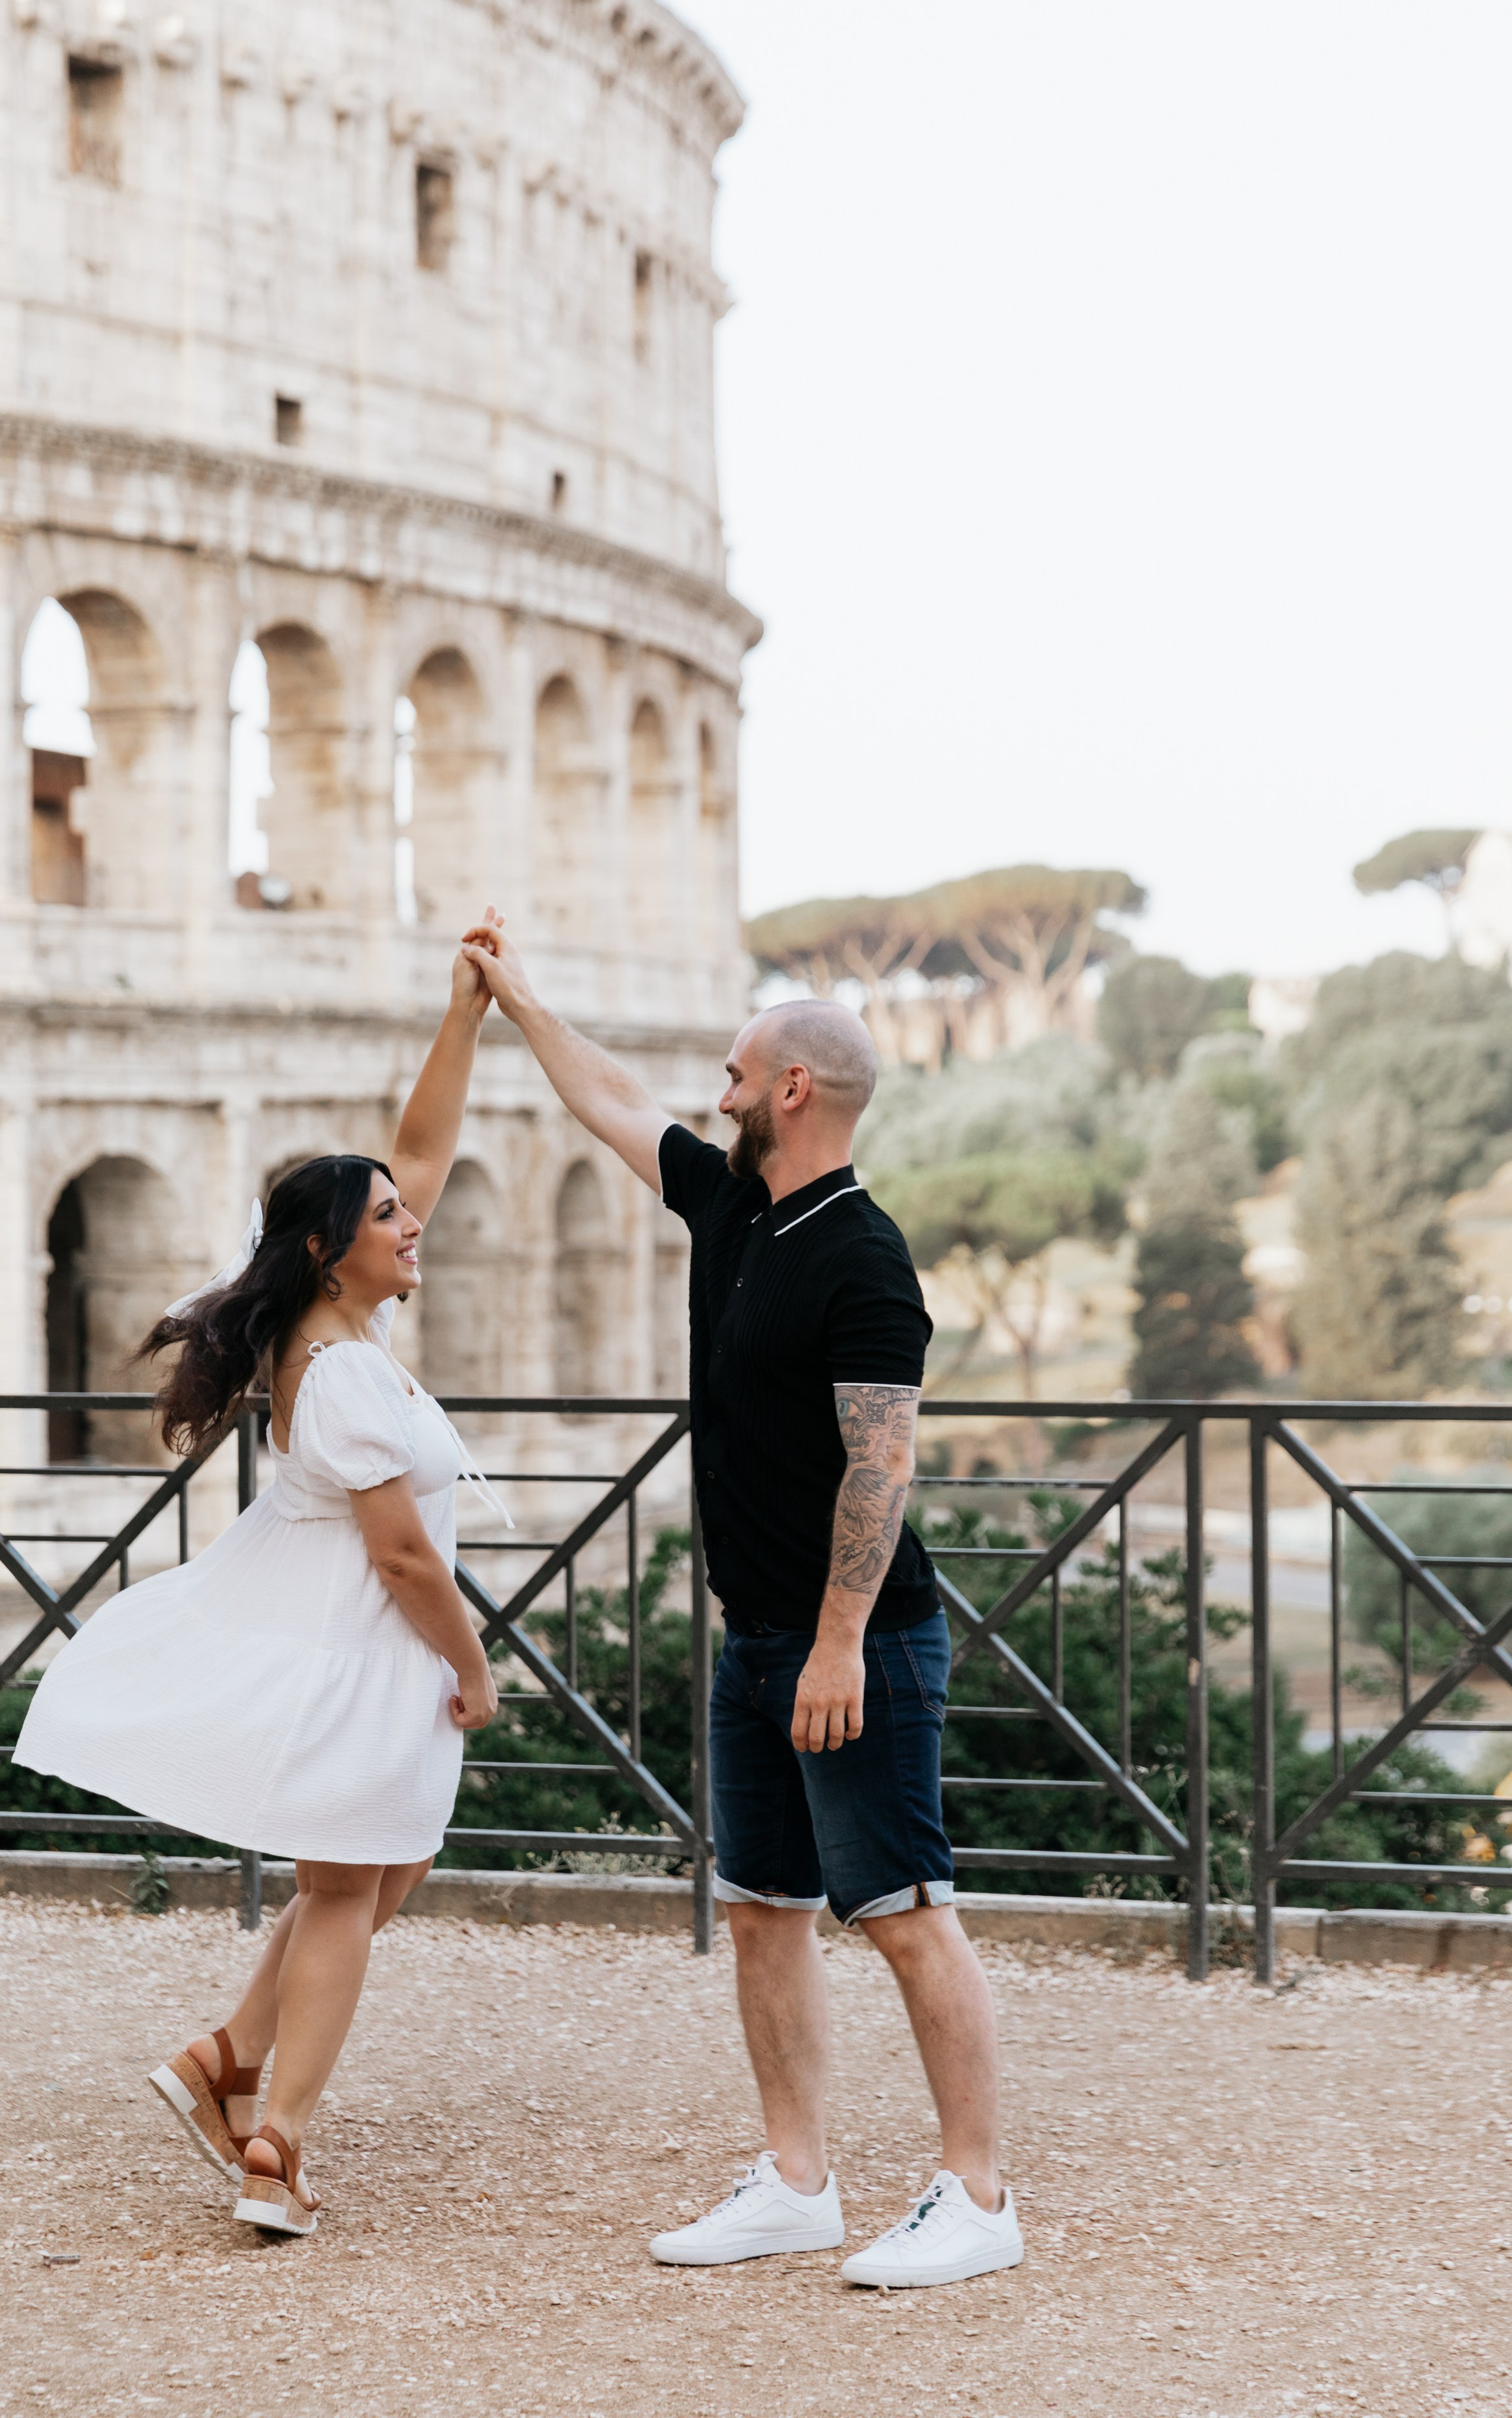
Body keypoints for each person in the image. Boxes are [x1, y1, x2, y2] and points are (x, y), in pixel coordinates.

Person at [459, 915, 1021, 2291]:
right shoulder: (731, 1204)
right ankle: (793, 2181)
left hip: (860, 1645)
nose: (709, 1092)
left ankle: (976, 2195)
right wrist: (516, 999)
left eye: (730, 1073)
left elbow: (879, 1462)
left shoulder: (861, 1254)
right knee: (761, 1907)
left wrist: (836, 1646)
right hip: (756, 1638)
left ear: (789, 1091)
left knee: (899, 1908)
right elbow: (609, 1102)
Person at [15, 927, 505, 2240]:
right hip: (361, 1652)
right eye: (390, 1218)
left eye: (406, 1211)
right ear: (330, 1252)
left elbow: (425, 1145)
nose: (416, 1224)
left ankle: (225, 2058)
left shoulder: (343, 1323)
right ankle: (274, 2146)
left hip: (356, 1649)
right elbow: (402, 1555)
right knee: (353, 1888)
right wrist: (470, 1665)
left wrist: (465, 1015)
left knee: (379, 1877)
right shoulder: (341, 1368)